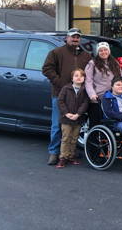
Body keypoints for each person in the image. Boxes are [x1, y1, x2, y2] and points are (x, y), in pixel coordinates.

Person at [42, 28, 91, 166]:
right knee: (58, 124)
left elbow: (91, 73)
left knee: (75, 125)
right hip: (60, 95)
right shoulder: (56, 53)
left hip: (78, 97)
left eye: (77, 37)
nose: (75, 39)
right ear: (67, 38)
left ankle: (70, 153)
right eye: (72, 37)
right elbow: (47, 69)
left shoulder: (85, 56)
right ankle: (53, 152)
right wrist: (61, 84)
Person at [56, 69, 89, 168]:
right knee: (66, 138)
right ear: (72, 78)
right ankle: (63, 158)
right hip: (66, 118)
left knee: (74, 138)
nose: (79, 77)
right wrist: (66, 113)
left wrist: (78, 114)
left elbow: (85, 103)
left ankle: (71, 156)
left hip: (78, 118)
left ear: (84, 78)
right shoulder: (66, 88)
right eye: (76, 76)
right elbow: (60, 101)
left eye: (81, 76)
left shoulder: (85, 90)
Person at [85, 41, 122, 126]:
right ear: (98, 53)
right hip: (98, 98)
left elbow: (121, 78)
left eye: (105, 50)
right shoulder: (92, 63)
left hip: (113, 96)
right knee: (96, 122)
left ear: (109, 51)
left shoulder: (115, 63)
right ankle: (93, 138)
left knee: (111, 122)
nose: (103, 52)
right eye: (101, 50)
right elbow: (88, 81)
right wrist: (92, 94)